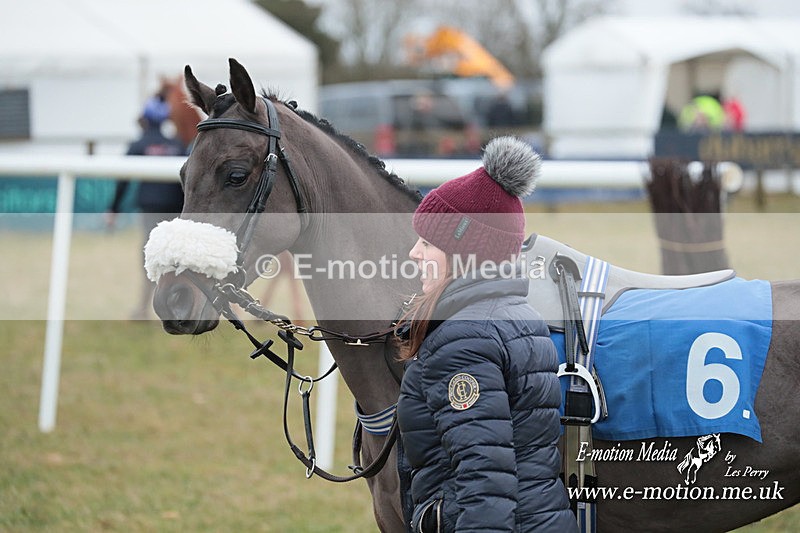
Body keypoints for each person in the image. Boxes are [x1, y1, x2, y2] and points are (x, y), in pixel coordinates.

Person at [395, 136, 577, 532]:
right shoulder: (520, 316)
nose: (415, 253)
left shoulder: (463, 338)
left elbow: (484, 477)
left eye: (427, 242)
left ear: (464, 253)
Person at [107, 92, 186, 319]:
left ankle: (143, 309)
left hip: (150, 212)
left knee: (150, 261)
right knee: (174, 261)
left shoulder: (138, 145)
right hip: (175, 212)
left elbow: (123, 180)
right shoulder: (176, 145)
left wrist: (113, 209)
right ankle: (173, 307)